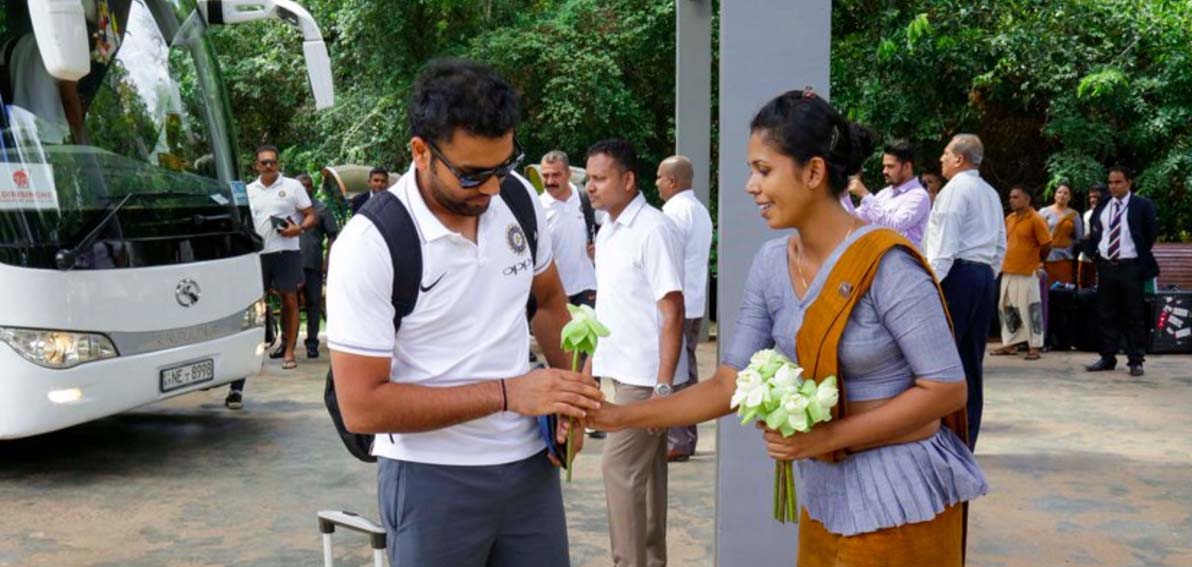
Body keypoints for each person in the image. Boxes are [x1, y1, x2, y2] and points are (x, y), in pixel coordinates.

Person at [589, 90, 986, 567]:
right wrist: (617, 417)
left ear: (814, 172)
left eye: (763, 169)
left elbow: (946, 389)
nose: (750, 186)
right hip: (826, 497)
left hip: (900, 501)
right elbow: (726, 383)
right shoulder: (772, 264)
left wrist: (825, 439)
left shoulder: (887, 264)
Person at [326, 59, 603, 567]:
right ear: (420, 152)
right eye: (473, 175)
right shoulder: (372, 244)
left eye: (504, 166)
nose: (493, 189)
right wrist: (507, 394)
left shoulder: (518, 200)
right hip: (431, 478)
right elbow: (361, 407)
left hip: (529, 471)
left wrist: (570, 396)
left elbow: (548, 302)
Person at [585, 138, 686, 567]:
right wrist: (590, 365)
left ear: (627, 180)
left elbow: (673, 308)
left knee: (619, 471)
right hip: (621, 369)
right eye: (588, 178)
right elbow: (611, 305)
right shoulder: (609, 228)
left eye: (599, 178)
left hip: (646, 379)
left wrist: (664, 384)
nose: (590, 187)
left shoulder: (653, 229)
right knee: (646, 479)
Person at [922, 133, 1005, 451]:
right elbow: (1000, 243)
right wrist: (986, 276)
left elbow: (944, 246)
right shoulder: (989, 193)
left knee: (942, 360)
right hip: (982, 276)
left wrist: (933, 286)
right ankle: (966, 437)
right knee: (971, 360)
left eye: (945, 153)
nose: (941, 159)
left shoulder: (954, 191)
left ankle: (943, 435)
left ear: (959, 159)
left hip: (955, 275)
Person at [228, 145, 316, 409]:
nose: (268, 167)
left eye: (273, 163)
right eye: (264, 163)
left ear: (278, 164)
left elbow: (311, 214)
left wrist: (298, 228)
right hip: (257, 256)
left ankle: (289, 350)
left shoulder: (292, 187)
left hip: (286, 252)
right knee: (252, 309)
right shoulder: (248, 191)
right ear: (256, 165)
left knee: (290, 301)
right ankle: (239, 378)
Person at [538, 150, 604, 438]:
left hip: (587, 285)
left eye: (555, 175)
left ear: (567, 174)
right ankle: (567, 412)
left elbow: (610, 223)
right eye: (546, 176)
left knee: (592, 354)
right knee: (565, 355)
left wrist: (599, 244)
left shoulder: (585, 200)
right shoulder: (538, 208)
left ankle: (592, 414)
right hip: (556, 293)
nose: (550, 181)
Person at [656, 154, 713, 462]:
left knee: (677, 373)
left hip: (678, 304)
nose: (656, 183)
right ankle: (684, 437)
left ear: (672, 181)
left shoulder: (674, 212)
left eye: (659, 178)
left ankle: (679, 440)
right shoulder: (699, 210)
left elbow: (666, 259)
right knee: (686, 372)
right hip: (693, 302)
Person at [1084, 166, 1159, 377]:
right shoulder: (1104, 205)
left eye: (1118, 182)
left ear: (1129, 182)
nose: (1113, 186)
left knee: (1134, 314)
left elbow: (1150, 233)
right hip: (1107, 266)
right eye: (1110, 182)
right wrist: (1096, 255)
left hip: (1131, 266)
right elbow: (1095, 230)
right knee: (1106, 313)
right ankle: (1107, 356)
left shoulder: (1142, 205)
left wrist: (1136, 253)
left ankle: (1135, 360)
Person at [990, 186, 1051, 360]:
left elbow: (1046, 244)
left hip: (1027, 270)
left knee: (1030, 307)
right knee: (1006, 307)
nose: (1012, 200)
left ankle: (1034, 346)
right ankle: (1010, 344)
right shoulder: (1009, 218)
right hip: (1008, 269)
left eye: (1016, 197)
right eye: (1011, 197)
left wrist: (1039, 261)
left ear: (1027, 199)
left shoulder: (1036, 219)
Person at [846, 139, 931, 247]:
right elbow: (855, 219)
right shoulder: (885, 193)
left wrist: (865, 194)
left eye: (890, 166)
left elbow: (893, 227)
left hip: (901, 262)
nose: (884, 171)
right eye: (884, 166)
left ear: (907, 167)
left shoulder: (919, 196)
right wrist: (844, 194)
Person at [297, 173, 339, 359]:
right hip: (290, 263)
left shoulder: (321, 208)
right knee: (289, 304)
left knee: (314, 303)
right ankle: (285, 342)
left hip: (313, 263)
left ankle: (312, 343)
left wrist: (328, 260)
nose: (305, 188)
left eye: (308, 185)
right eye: (301, 185)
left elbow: (332, 235)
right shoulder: (288, 208)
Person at [1039, 182, 1083, 285]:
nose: (1062, 195)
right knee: (1045, 291)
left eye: (1066, 193)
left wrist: (1065, 243)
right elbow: (1037, 235)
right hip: (1045, 258)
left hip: (1065, 258)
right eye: (1059, 192)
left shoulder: (1074, 215)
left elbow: (1079, 237)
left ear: (1070, 197)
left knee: (1062, 292)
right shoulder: (1044, 212)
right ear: (1055, 195)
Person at [1077, 184, 1106, 288]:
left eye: (1096, 197)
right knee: (1083, 285)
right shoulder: (1087, 214)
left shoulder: (1109, 212)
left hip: (1103, 256)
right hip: (1086, 255)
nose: (1093, 200)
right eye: (1091, 197)